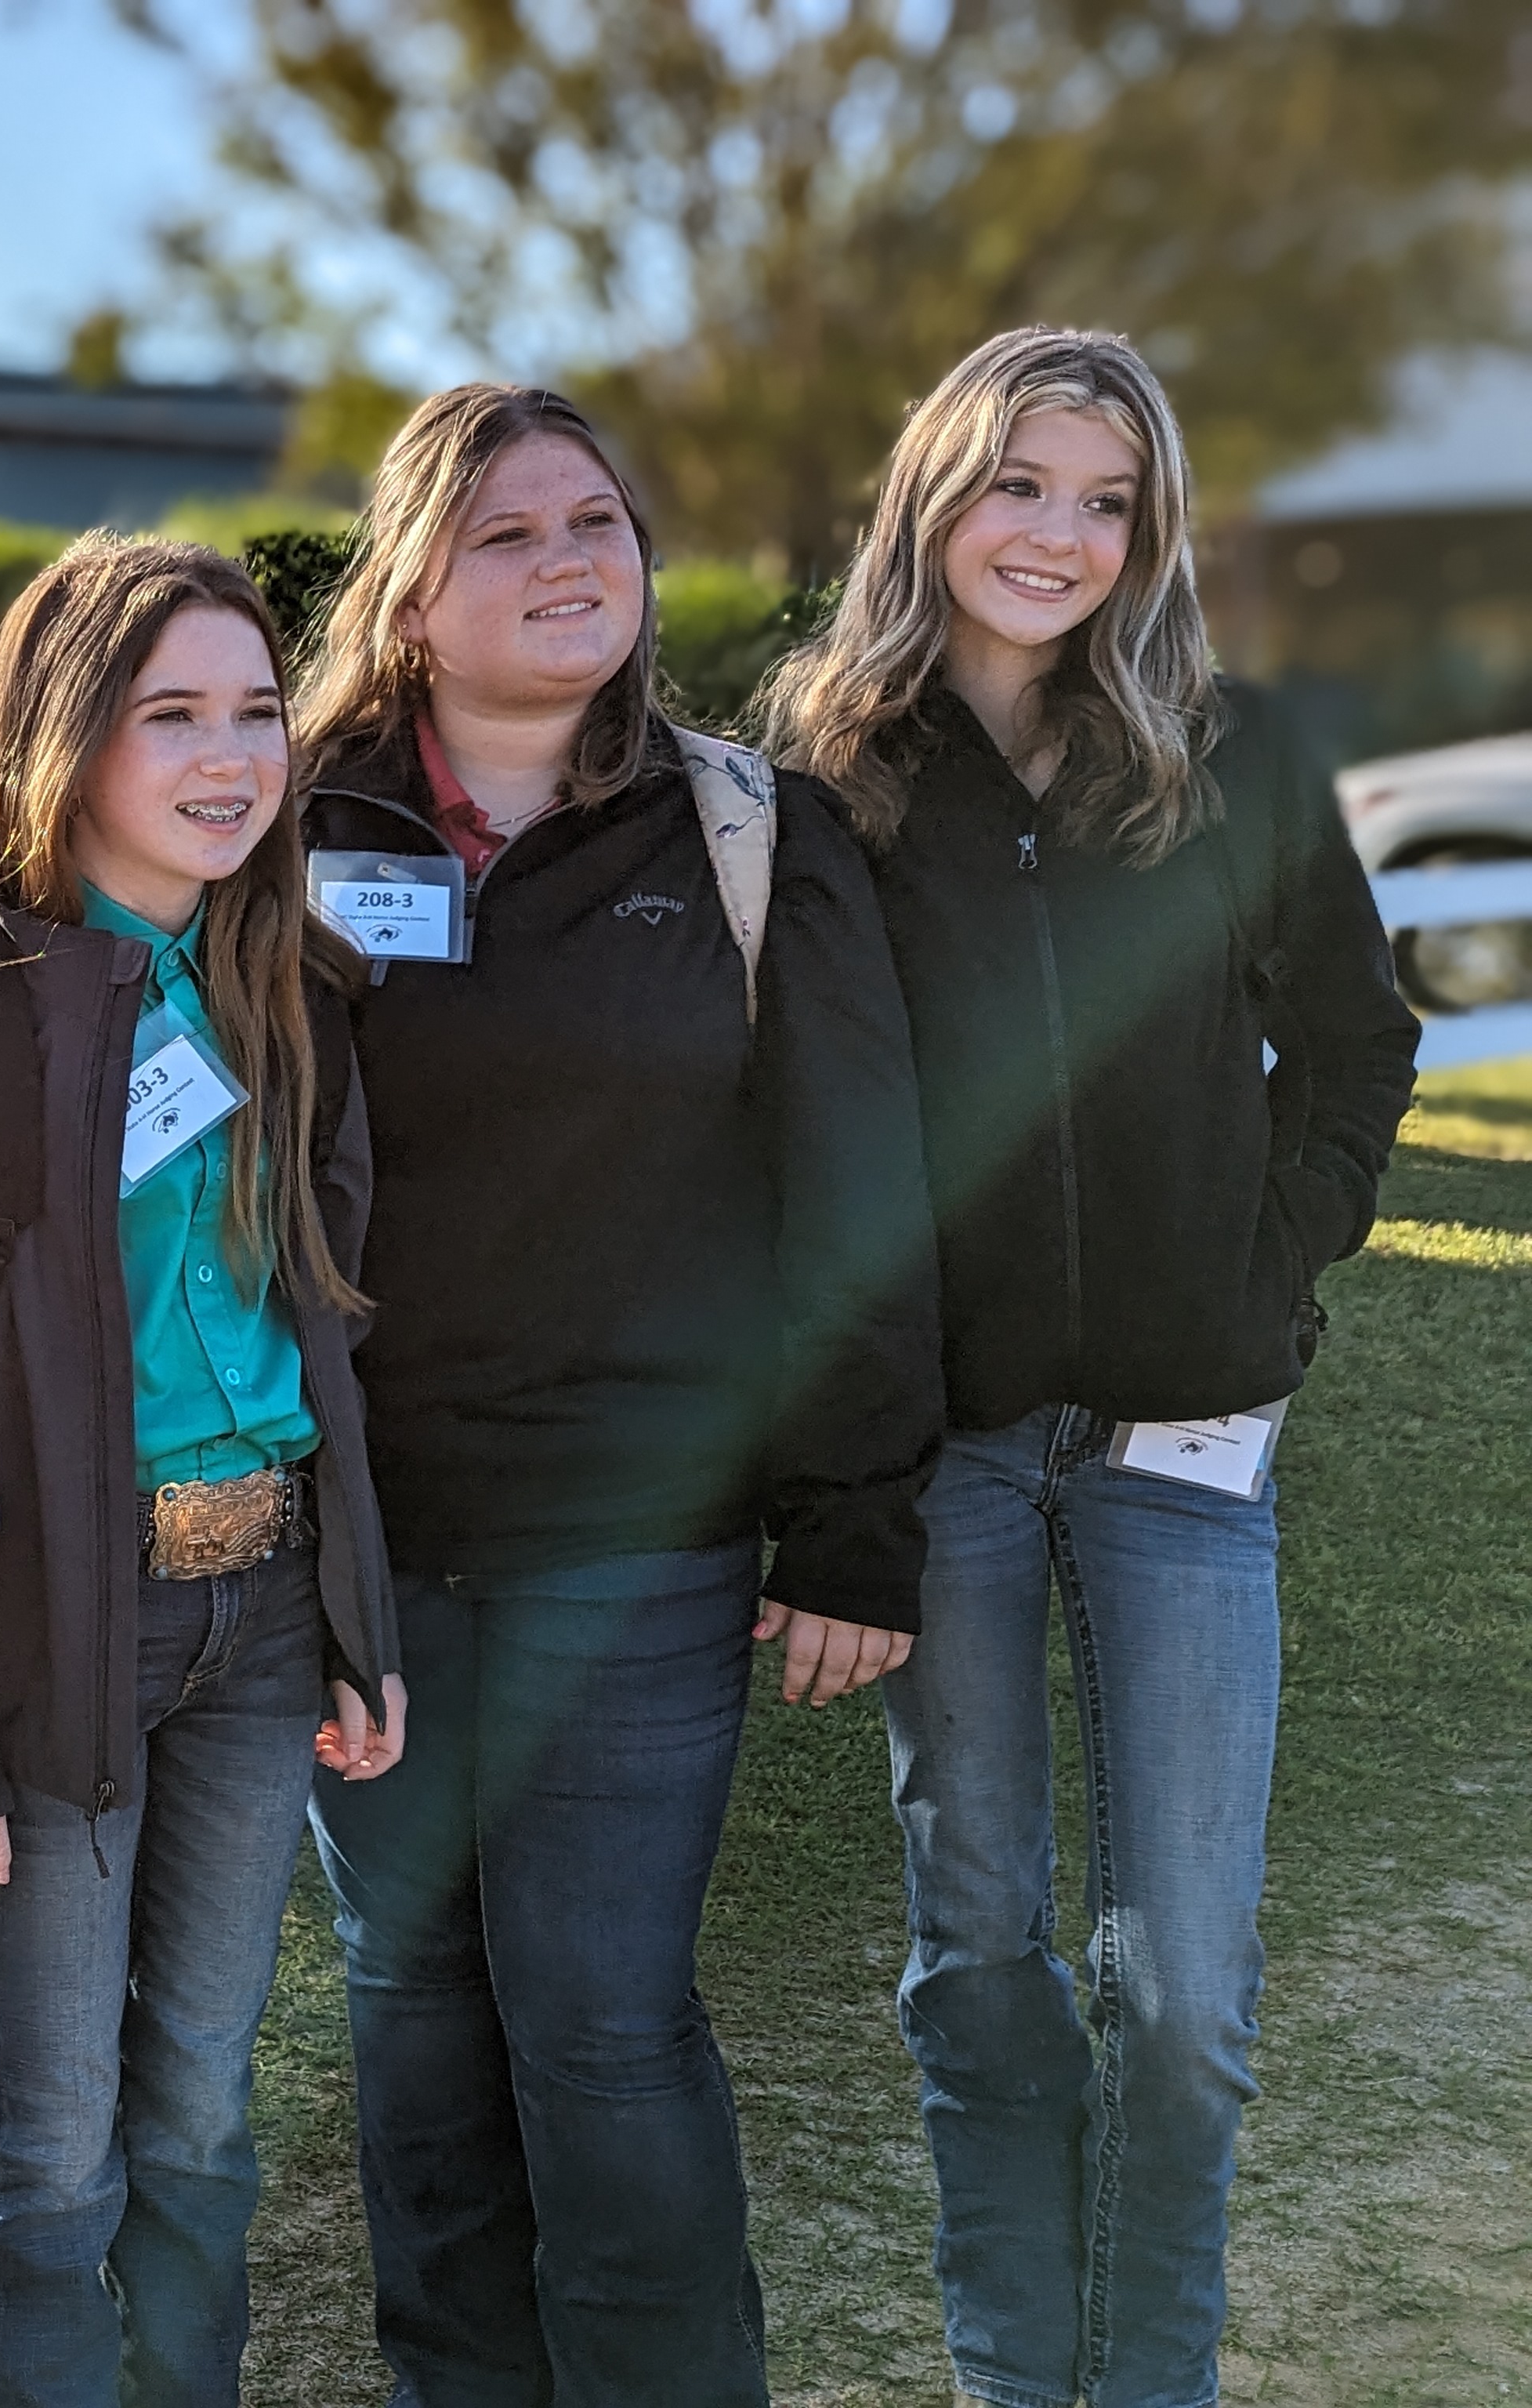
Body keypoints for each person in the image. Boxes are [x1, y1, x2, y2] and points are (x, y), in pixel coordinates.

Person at [762, 326, 1419, 2408]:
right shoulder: (821, 772)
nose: (1054, 534)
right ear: (933, 495)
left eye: (1104, 499)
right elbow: (783, 1121)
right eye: (1016, 484)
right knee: (981, 1966)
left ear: (1150, 533)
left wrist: (1269, 1256)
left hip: (1186, 1446)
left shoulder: (1234, 753)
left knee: (1188, 1997)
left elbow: (1362, 1038)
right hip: (941, 1454)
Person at [292, 383, 945, 2406]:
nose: (569, 560)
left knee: (597, 2024)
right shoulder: (285, 829)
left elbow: (862, 1187)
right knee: (408, 2012)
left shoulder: (750, 834)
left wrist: (855, 1522)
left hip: (635, 1548)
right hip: (353, 1548)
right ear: (409, 591)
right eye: (505, 532)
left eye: (599, 522)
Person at [0, 534, 407, 2407]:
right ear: (61, 739)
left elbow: (328, 1335)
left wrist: (353, 1616)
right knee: (51, 2145)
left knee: (198, 2107)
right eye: (166, 711)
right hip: (55, 1641)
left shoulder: (298, 987)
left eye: (255, 712)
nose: (227, 753)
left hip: (263, 1621)